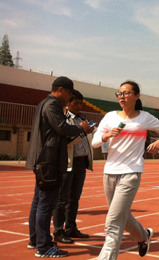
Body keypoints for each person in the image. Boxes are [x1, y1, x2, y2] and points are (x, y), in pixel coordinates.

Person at [92, 81, 159, 259]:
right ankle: (143, 236)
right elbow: (95, 142)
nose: (121, 96)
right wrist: (106, 135)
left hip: (131, 172)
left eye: (126, 93)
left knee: (113, 222)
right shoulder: (110, 117)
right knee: (121, 214)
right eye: (119, 93)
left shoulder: (144, 118)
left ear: (136, 96)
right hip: (109, 172)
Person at [26, 76, 93, 257]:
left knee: (39, 203)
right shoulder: (52, 104)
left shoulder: (44, 104)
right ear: (62, 89)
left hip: (43, 160)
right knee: (46, 205)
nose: (69, 97)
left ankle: (35, 240)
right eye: (70, 93)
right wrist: (82, 129)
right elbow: (62, 128)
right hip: (49, 161)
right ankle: (44, 246)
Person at [53, 90, 94, 244]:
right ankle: (58, 231)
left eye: (80, 103)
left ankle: (71, 227)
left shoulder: (82, 119)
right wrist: (83, 133)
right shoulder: (64, 120)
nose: (78, 106)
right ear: (68, 104)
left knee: (74, 198)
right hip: (67, 163)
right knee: (62, 199)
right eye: (75, 103)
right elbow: (66, 141)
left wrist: (89, 130)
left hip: (81, 162)